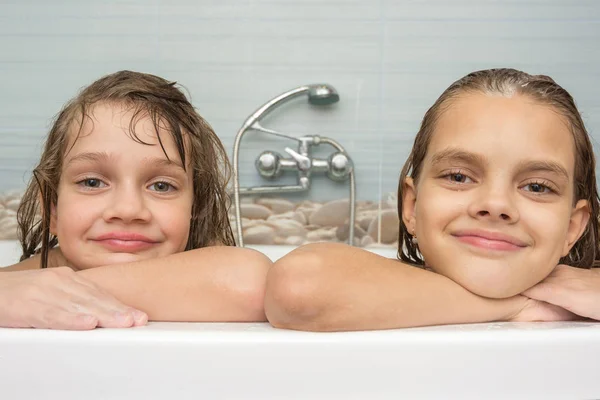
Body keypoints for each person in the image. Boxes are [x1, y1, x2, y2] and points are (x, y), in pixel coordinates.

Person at [264, 68, 600, 331]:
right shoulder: (365, 287)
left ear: (572, 228)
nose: (496, 205)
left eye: (537, 187)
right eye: (458, 177)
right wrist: (517, 304)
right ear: (412, 207)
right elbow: (301, 286)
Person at [0, 71, 272, 330]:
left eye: (161, 186)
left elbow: (250, 279)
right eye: (92, 182)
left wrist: (50, 292)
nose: (128, 210)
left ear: (195, 209)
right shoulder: (14, 282)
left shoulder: (214, 269)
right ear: (53, 209)